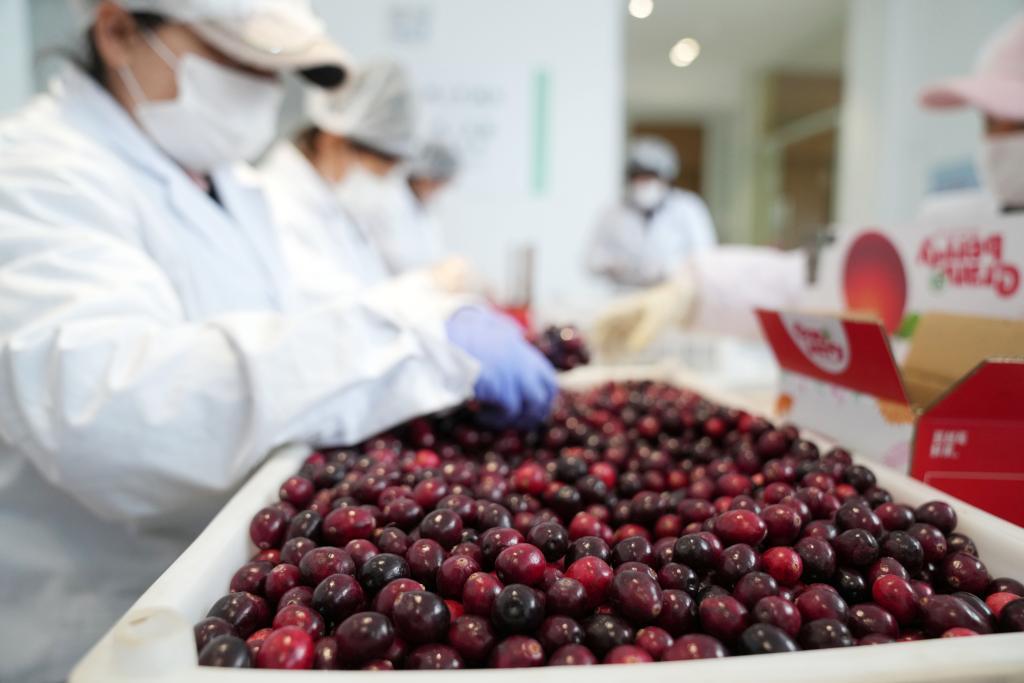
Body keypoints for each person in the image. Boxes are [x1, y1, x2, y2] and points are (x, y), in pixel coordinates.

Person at [0, 3, 555, 681]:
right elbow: (115, 411)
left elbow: (299, 323)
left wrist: (425, 322)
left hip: (250, 579)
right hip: (95, 611)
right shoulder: (32, 176)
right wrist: (414, 344)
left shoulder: (233, 184)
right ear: (118, 32)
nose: (265, 89)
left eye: (276, 70)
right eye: (238, 59)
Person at [594, 14, 1024, 354]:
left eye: (1016, 123)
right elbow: (820, 285)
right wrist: (694, 289)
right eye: (990, 123)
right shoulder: (957, 226)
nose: (998, 142)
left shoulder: (685, 208)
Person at [261, 60, 416, 288]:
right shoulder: (277, 205)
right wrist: (425, 287)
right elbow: (327, 301)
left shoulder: (335, 204)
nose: (380, 186)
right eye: (376, 173)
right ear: (332, 141)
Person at [586, 135, 717, 288]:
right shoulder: (613, 212)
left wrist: (668, 268)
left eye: (650, 177)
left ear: (665, 178)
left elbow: (705, 256)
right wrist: (615, 265)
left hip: (672, 292)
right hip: (626, 293)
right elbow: (591, 258)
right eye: (639, 177)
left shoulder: (687, 208)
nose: (644, 183)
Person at [364, 142, 460, 275]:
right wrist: (434, 275)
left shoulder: (427, 209)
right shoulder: (387, 201)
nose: (437, 189)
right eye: (437, 182)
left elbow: (433, 253)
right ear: (425, 176)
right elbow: (396, 257)